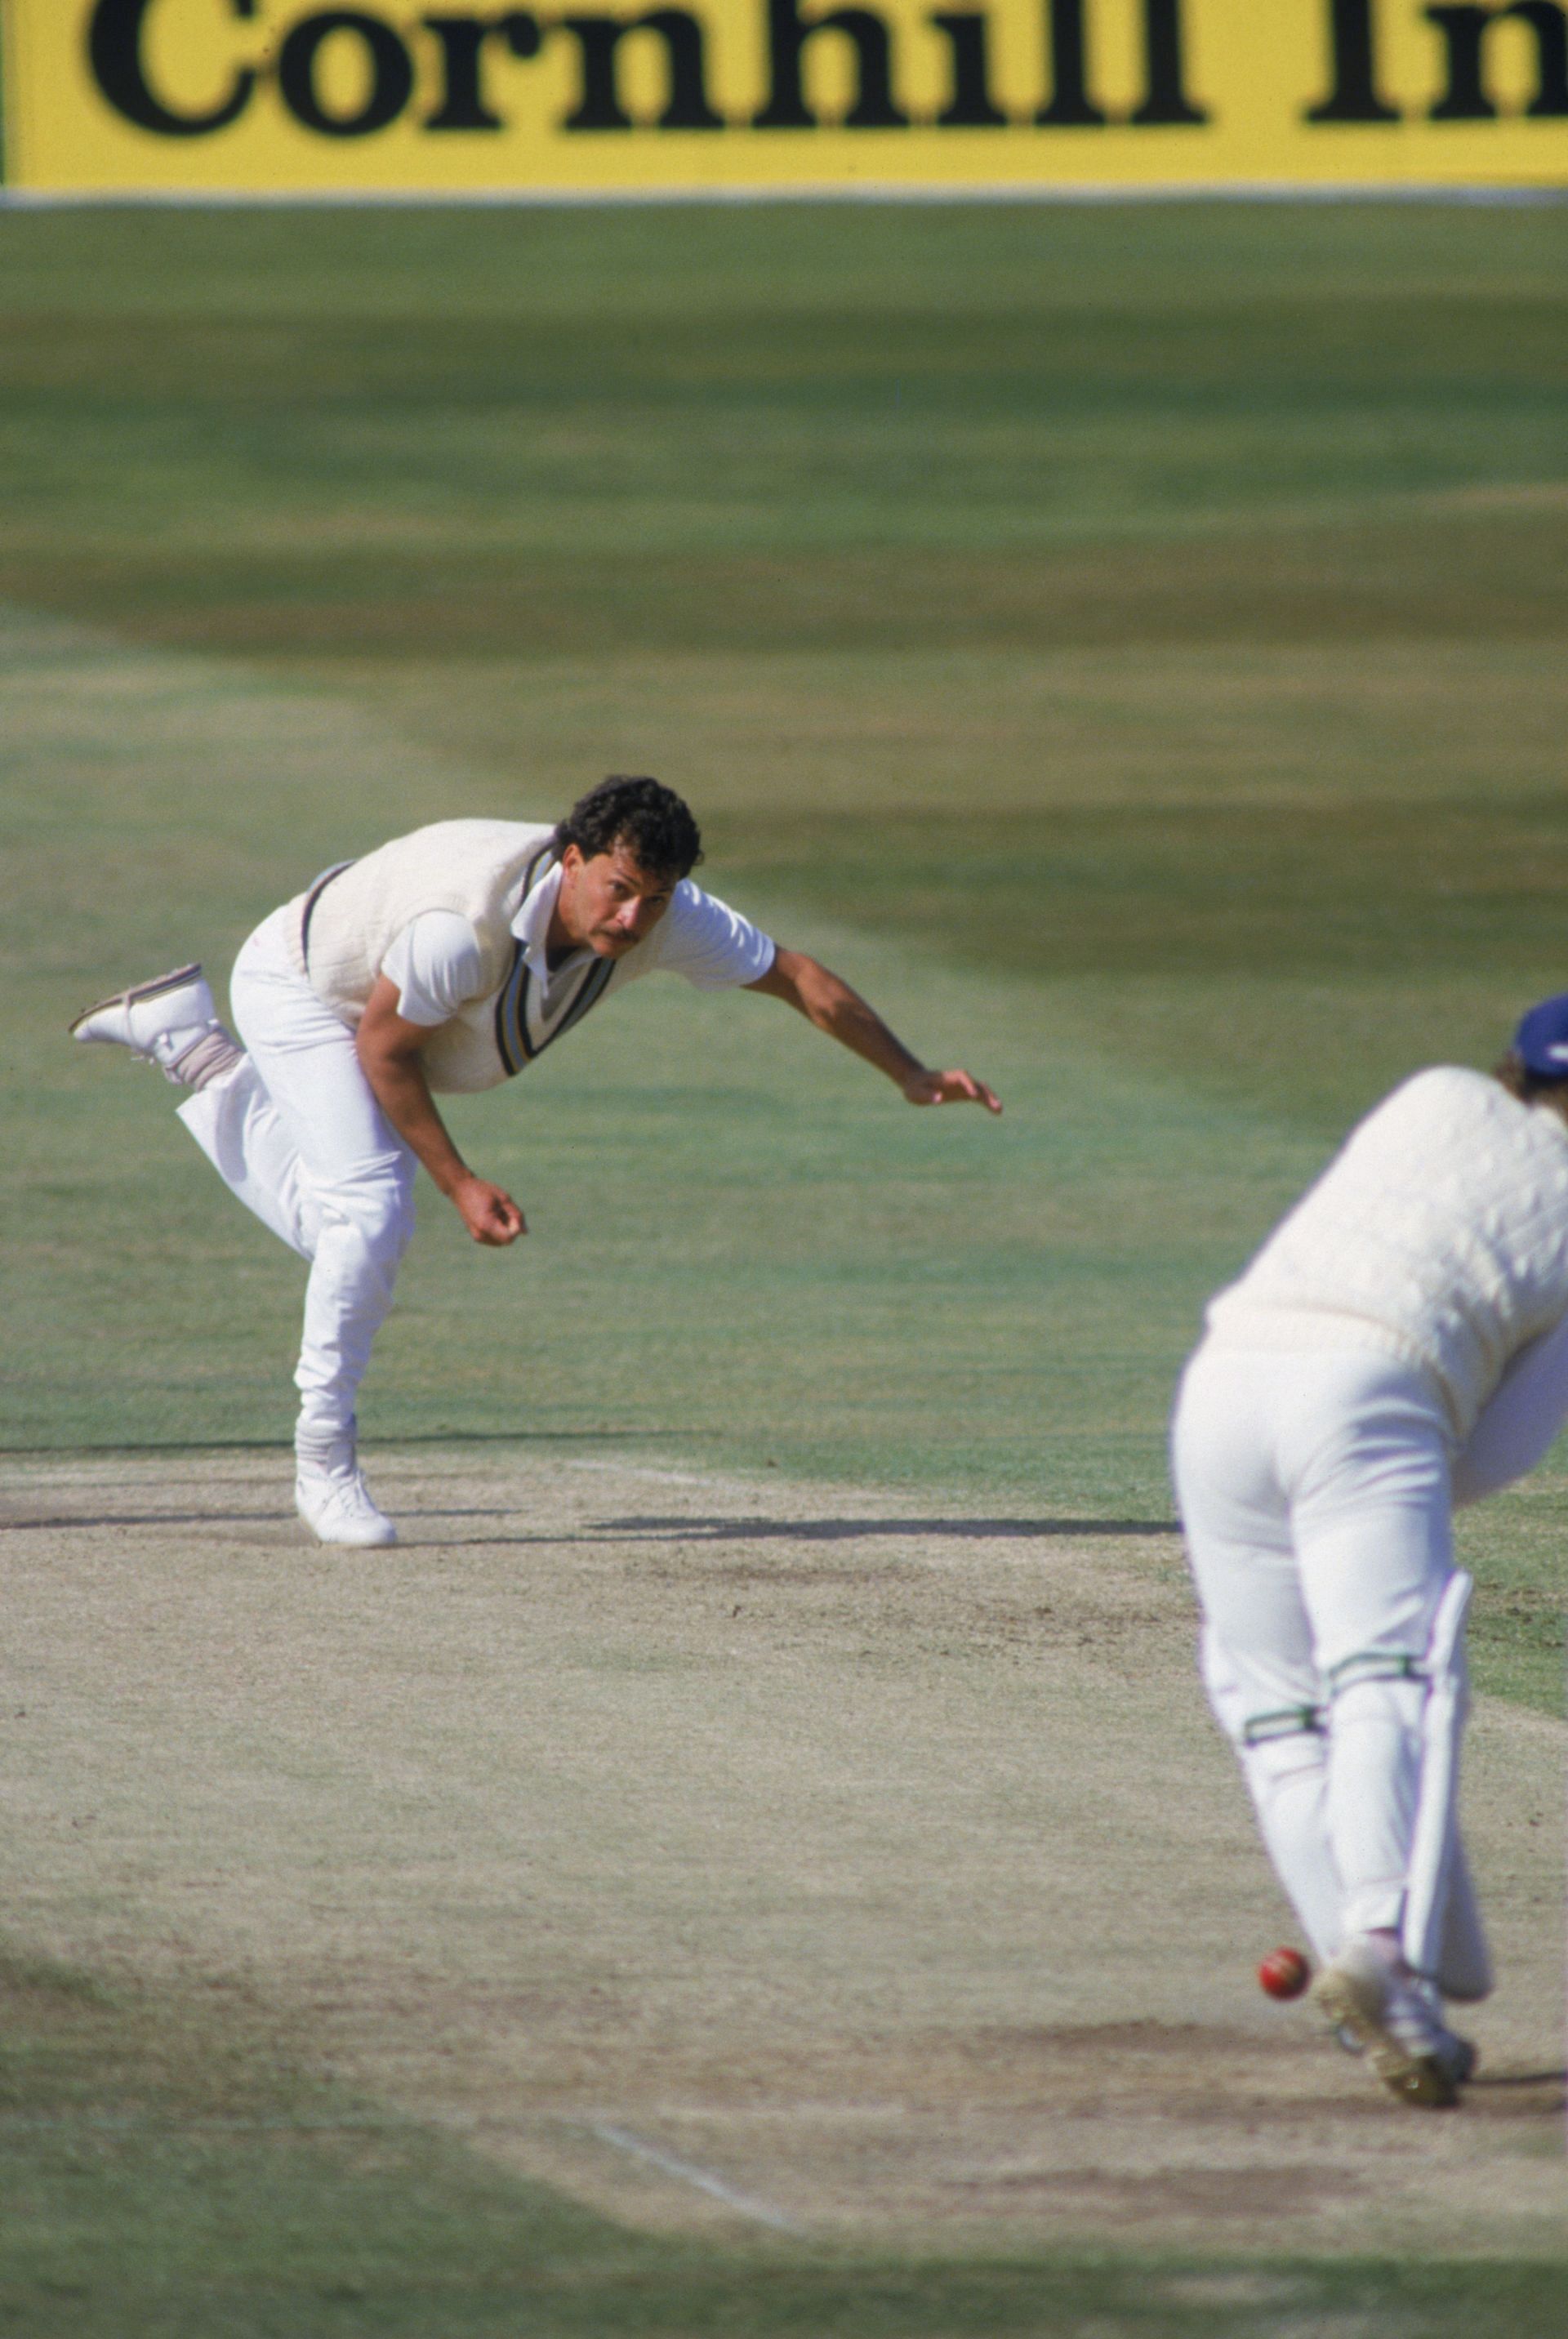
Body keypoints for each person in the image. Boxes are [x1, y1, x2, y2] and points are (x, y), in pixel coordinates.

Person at [71, 777, 1000, 1548]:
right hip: (306, 985)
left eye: (656, 899)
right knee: (369, 1215)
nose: (634, 917)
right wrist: (461, 1182)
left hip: (390, 999)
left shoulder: (666, 913)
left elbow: (797, 977)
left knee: (356, 1229)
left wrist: (910, 1072)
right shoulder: (461, 924)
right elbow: (385, 1050)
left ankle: (189, 1046)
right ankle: (324, 1460)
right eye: (619, 889)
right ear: (571, 858)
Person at [1171, 996, 1568, 2109]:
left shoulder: (1433, 1094)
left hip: (1222, 1386)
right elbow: (1500, 1447)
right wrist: (1380, 1515)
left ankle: (1404, 1995)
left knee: (1280, 1714)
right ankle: (1389, 1952)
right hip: (1372, 1396)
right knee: (1394, 1677)